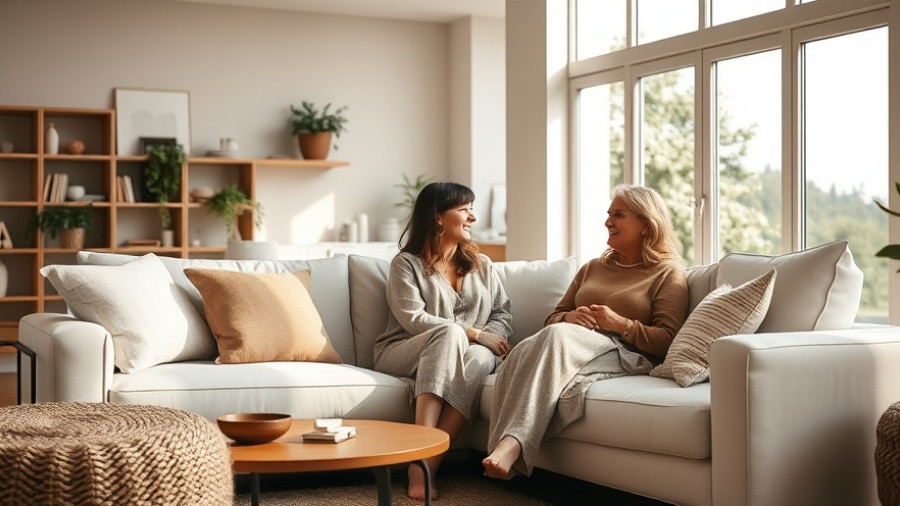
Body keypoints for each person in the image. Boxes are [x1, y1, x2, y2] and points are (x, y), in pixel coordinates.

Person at [482, 184, 689, 480]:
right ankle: (507, 448)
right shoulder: (592, 268)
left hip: (625, 355)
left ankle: (512, 443)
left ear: (646, 224)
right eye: (608, 214)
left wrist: (621, 324)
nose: (608, 221)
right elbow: (552, 319)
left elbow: (666, 340)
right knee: (529, 348)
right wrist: (569, 315)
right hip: (570, 345)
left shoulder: (668, 273)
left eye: (618, 215)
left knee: (552, 339)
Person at [374, 181, 513, 500]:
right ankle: (420, 446)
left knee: (479, 359)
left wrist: (490, 340)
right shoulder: (405, 264)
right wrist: (475, 333)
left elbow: (503, 312)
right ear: (437, 217)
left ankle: (424, 465)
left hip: (469, 354)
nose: (472, 218)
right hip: (403, 350)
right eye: (464, 210)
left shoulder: (483, 265)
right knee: (450, 332)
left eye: (472, 210)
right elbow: (414, 319)